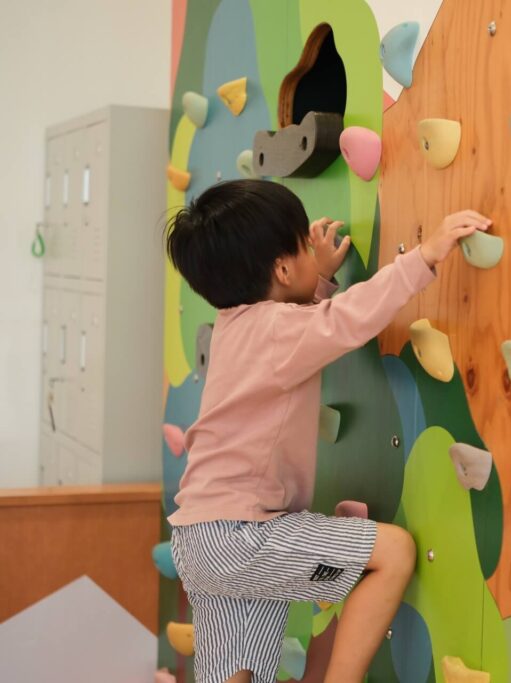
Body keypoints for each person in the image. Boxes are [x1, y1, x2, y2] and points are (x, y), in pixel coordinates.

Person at [164, 179, 491, 683]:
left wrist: (313, 280)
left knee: (238, 674)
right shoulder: (275, 329)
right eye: (302, 246)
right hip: (242, 534)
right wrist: (424, 256)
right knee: (394, 553)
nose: (312, 251)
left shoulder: (236, 325)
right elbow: (345, 322)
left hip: (199, 539)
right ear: (282, 268)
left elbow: (301, 329)